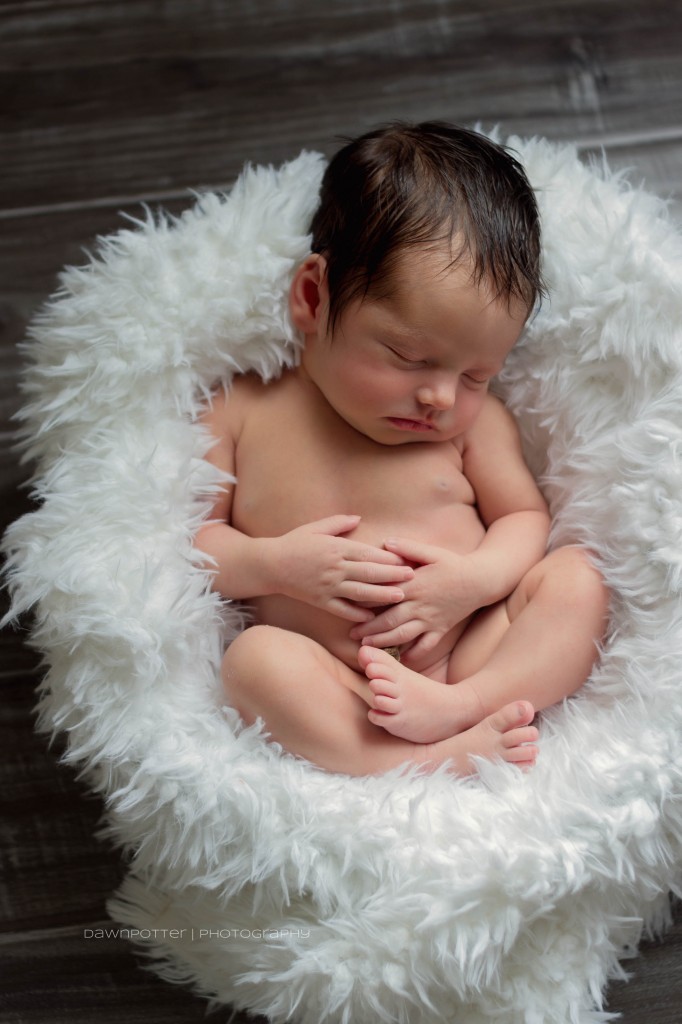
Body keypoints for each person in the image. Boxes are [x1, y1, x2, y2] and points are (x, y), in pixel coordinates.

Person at [194, 122, 609, 777]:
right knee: (253, 664)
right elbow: (197, 544)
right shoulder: (244, 408)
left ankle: (458, 710)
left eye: (477, 374)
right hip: (340, 680)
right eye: (409, 357)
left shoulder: (475, 426)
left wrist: (469, 583)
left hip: (473, 652)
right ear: (312, 297)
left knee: (579, 577)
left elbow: (524, 520)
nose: (441, 397)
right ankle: (425, 763)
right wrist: (274, 565)